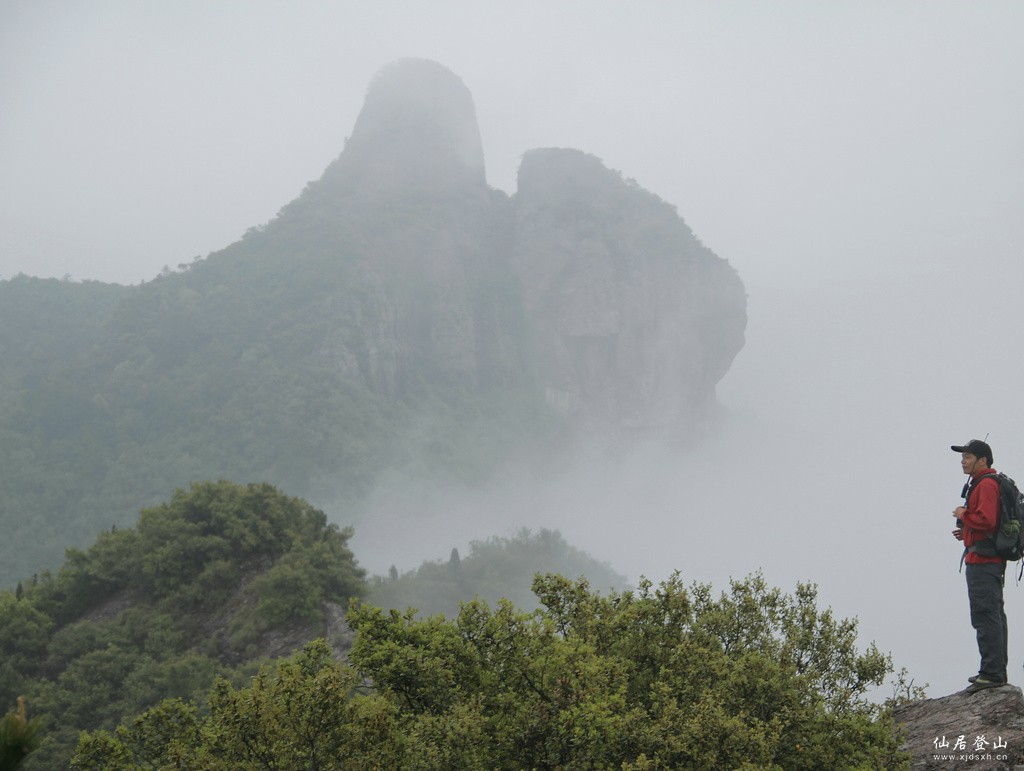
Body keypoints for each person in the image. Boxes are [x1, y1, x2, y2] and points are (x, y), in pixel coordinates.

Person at [951, 439, 1008, 693]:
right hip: (987, 560)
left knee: (985, 615)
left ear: (983, 459)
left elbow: (986, 521)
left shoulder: (985, 484)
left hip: (984, 563)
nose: (962, 460)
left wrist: (963, 514)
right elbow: (986, 525)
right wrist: (965, 532)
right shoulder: (985, 483)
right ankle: (994, 671)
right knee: (993, 614)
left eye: (968, 456)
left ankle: (992, 674)